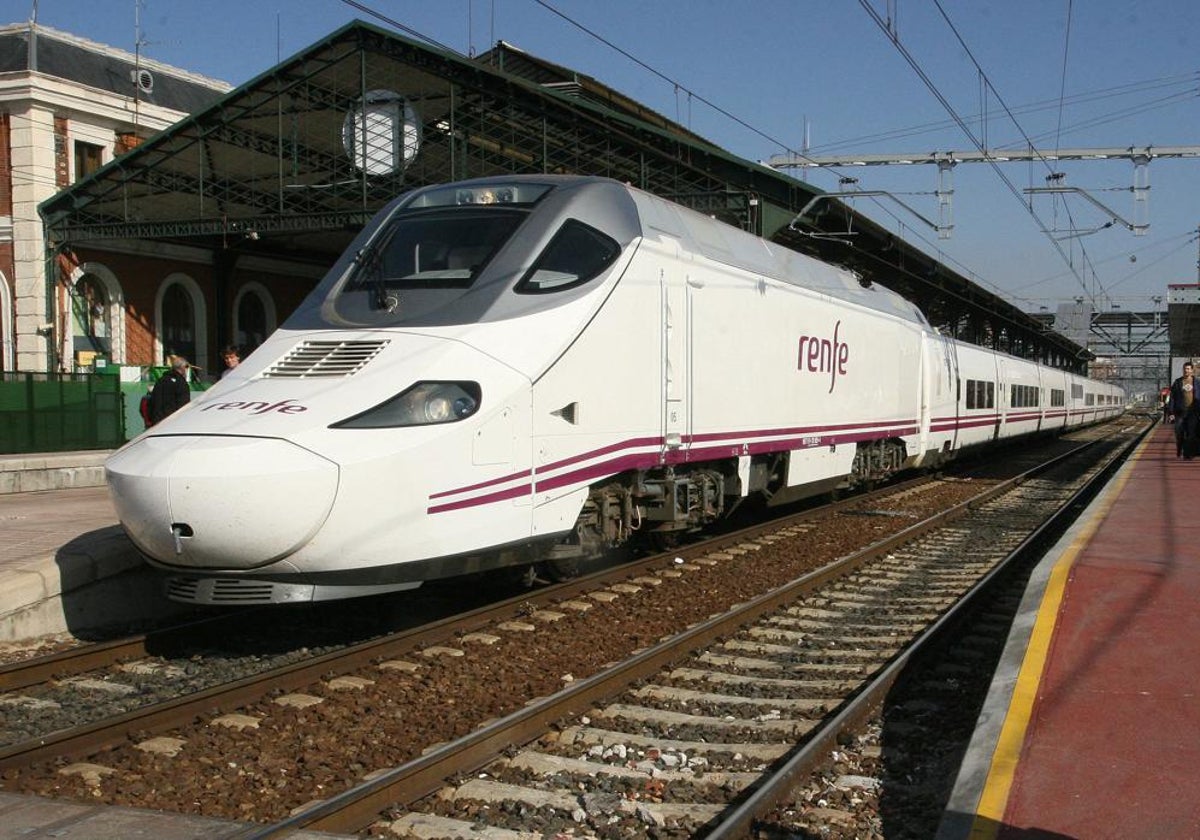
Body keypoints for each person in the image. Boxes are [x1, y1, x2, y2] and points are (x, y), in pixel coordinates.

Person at [1167, 360, 1199, 458]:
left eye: (1188, 369)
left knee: (1191, 433)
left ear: (1192, 370)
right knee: (1179, 433)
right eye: (1185, 369)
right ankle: (1179, 448)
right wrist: (1171, 413)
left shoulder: (1197, 382)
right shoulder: (1177, 382)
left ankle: (1187, 453)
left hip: (1193, 412)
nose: (1186, 371)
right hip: (1180, 412)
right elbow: (1172, 397)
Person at [149, 356, 191, 426]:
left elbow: (152, 402)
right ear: (182, 368)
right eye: (186, 367)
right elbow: (184, 405)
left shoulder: (161, 381)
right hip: (174, 423)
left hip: (157, 423)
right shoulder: (181, 383)